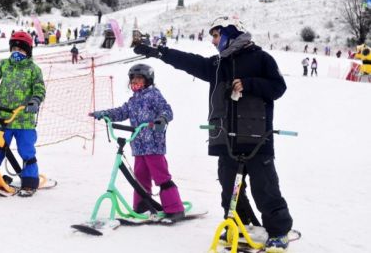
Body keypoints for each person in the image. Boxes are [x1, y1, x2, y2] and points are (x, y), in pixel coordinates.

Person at [133, 16, 292, 251]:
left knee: (265, 189)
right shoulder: (218, 65)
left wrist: (249, 84)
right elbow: (188, 61)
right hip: (226, 140)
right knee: (230, 191)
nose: (213, 41)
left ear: (231, 33)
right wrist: (159, 52)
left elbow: (278, 87)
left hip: (257, 138)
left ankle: (279, 232)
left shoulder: (261, 59)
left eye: (217, 36)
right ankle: (240, 225)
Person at [90, 64, 185, 223]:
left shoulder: (154, 95)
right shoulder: (133, 100)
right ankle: (142, 205)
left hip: (153, 145)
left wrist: (162, 119)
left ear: (148, 80)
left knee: (161, 176)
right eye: (133, 79)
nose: (136, 82)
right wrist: (104, 114)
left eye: (139, 79)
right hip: (138, 146)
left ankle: (175, 208)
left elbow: (167, 110)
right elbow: (121, 112)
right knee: (140, 177)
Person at [0, 31, 46, 197]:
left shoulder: (33, 69)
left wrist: (35, 101)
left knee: (26, 151)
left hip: (24, 120)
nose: (17, 52)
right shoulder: (4, 65)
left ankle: (29, 182)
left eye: (21, 50)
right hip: (3, 118)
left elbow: (39, 88)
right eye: (14, 48)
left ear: (28, 52)